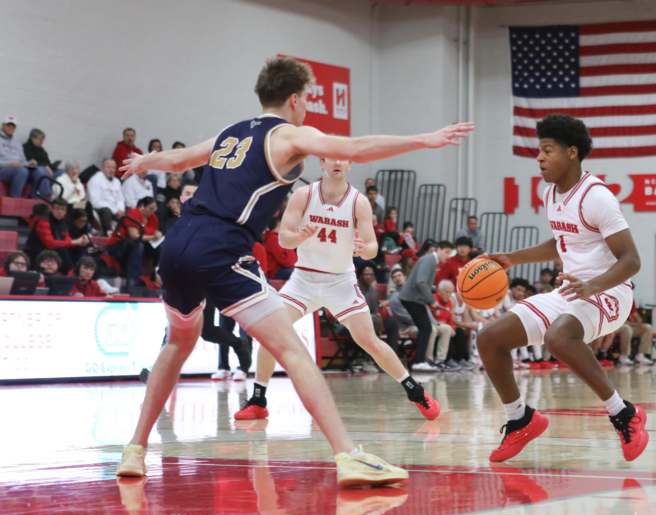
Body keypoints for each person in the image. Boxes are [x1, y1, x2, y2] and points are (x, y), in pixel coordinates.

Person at [114, 56, 473, 487]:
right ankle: (349, 456)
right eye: (306, 99)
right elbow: (356, 148)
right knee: (293, 351)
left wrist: (145, 162)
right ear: (295, 99)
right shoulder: (289, 135)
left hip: (177, 244)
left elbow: (178, 161)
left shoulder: (232, 132)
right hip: (221, 248)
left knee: (177, 343)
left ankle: (135, 448)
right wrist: (424, 140)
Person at [478, 114, 647, 464]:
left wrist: (592, 286)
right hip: (572, 292)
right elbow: (561, 242)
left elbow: (632, 260)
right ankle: (520, 419)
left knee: (559, 337)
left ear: (572, 153)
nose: (539, 158)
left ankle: (623, 413)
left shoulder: (597, 197)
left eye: (547, 150)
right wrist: (512, 258)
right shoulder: (551, 193)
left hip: (610, 292)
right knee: (489, 338)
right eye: (538, 151)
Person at [235, 156, 439, 422]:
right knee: (271, 333)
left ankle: (416, 391)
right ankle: (258, 400)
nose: (338, 163)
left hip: (340, 281)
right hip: (304, 279)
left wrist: (364, 249)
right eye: (332, 158)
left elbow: (372, 247)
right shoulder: (304, 195)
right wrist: (299, 236)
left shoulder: (358, 202)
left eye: (344, 159)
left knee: (369, 341)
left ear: (350, 164)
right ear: (322, 162)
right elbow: (284, 239)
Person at [399, 241, 454, 372]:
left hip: (413, 298)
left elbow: (424, 283)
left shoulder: (430, 261)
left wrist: (434, 291)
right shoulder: (429, 260)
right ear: (438, 249)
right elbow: (421, 282)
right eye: (446, 252)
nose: (447, 256)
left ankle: (420, 361)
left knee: (426, 328)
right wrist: (432, 300)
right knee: (426, 328)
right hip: (412, 298)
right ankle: (419, 362)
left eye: (449, 254)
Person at [26, 198, 90, 273]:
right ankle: (70, 272)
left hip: (53, 251)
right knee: (62, 250)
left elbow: (67, 240)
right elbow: (50, 243)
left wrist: (81, 241)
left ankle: (79, 271)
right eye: (57, 209)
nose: (60, 212)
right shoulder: (43, 221)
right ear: (51, 209)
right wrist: (74, 242)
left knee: (78, 248)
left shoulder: (63, 222)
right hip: (37, 252)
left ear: (66, 212)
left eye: (63, 209)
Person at [0, 116, 51, 198]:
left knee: (39, 170)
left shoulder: (17, 143)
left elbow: (22, 160)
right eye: (8, 125)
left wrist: (29, 163)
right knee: (22, 171)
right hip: (3, 168)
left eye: (13, 126)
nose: (11, 127)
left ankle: (40, 199)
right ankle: (14, 199)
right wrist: (9, 164)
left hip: (18, 167)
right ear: (2, 126)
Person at [87, 159, 125, 234]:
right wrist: (115, 210)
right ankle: (108, 234)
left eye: (113, 168)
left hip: (116, 210)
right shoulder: (95, 180)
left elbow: (120, 199)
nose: (111, 170)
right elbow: (95, 202)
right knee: (106, 211)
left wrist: (121, 209)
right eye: (108, 167)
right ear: (102, 168)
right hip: (101, 209)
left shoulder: (117, 181)